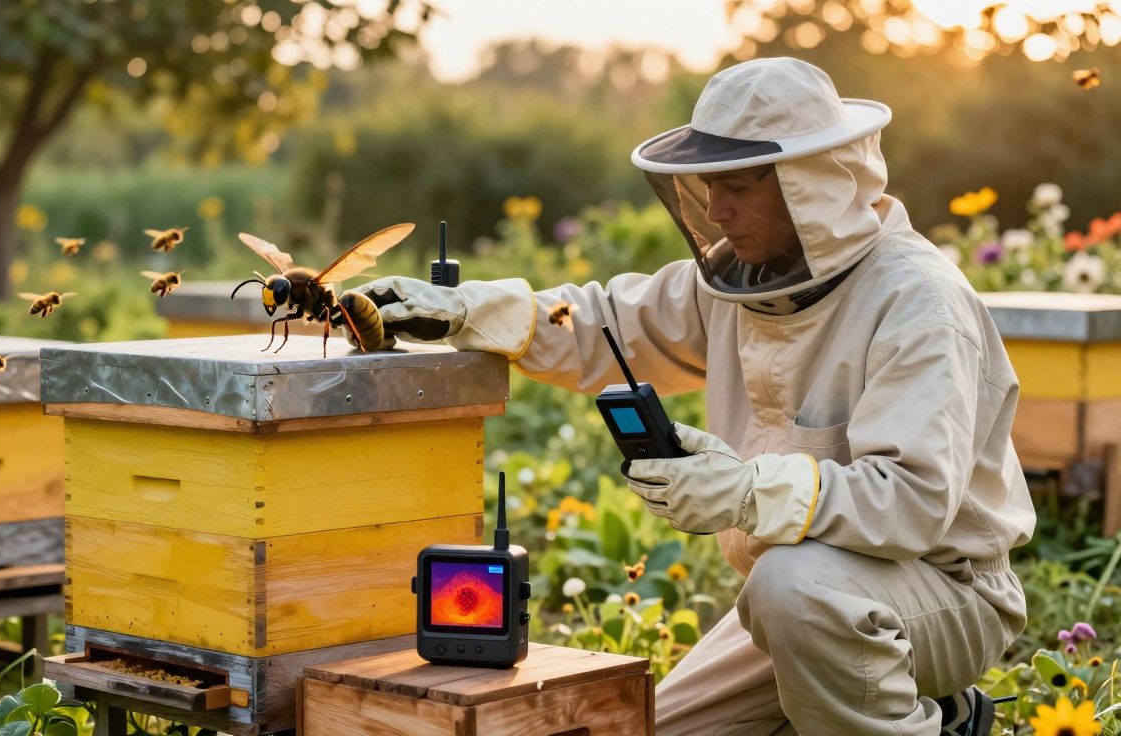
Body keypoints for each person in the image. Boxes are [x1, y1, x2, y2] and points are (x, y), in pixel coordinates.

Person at [345, 57, 1035, 735]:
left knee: (791, 589)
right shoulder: (744, 281)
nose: (716, 208)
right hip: (805, 598)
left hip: (945, 591)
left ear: (813, 185)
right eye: (708, 185)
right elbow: (602, 323)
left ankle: (939, 721)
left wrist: (743, 492)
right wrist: (465, 311)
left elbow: (911, 503)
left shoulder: (917, 303)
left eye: (736, 185)